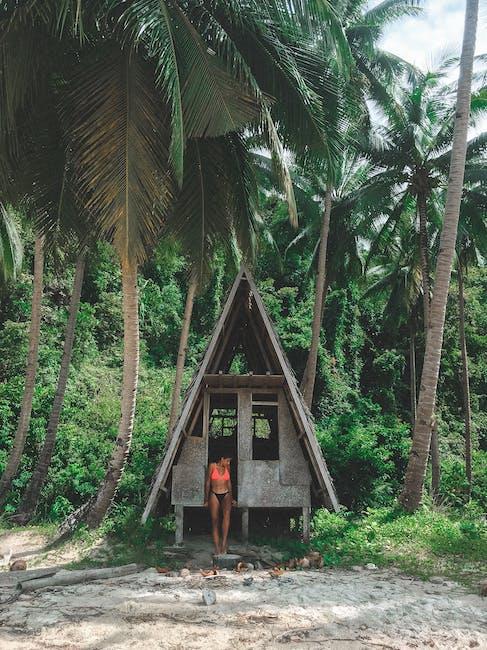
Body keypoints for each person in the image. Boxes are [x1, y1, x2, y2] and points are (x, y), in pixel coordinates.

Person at [204, 457, 236, 554]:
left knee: (226, 518)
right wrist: (206, 499)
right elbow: (208, 482)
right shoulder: (212, 466)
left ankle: (224, 543)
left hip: (226, 493)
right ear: (222, 459)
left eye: (230, 461)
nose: (228, 463)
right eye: (227, 460)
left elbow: (229, 482)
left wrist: (232, 497)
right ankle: (217, 546)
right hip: (214, 493)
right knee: (215, 520)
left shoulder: (227, 468)